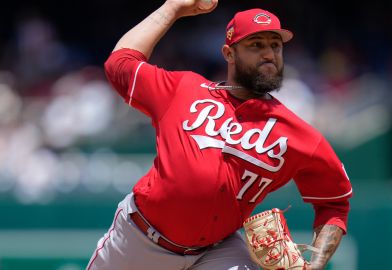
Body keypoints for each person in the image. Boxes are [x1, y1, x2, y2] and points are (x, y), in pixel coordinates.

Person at [87, 0, 352, 269]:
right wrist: (171, 9)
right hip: (141, 239)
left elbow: (335, 202)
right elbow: (119, 63)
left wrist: (317, 263)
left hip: (217, 251)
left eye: (275, 45)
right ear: (229, 53)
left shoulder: (297, 134)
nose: (269, 54)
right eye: (256, 45)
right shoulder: (184, 90)